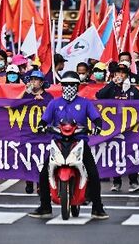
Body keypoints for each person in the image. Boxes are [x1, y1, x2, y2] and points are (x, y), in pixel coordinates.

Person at [28, 72, 109, 220]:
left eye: (72, 85)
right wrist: (41, 126)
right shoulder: (54, 103)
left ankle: (97, 207)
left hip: (79, 141)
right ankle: (45, 207)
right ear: (61, 86)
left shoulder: (85, 103)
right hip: (58, 142)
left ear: (78, 86)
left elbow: (96, 118)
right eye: (66, 85)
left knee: (94, 173)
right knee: (44, 173)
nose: (69, 87)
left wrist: (97, 126)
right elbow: (44, 120)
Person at [96, 62, 139, 192]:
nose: (120, 75)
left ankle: (133, 182)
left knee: (131, 153)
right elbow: (99, 96)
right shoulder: (111, 88)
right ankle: (116, 182)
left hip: (130, 127)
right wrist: (112, 83)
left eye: (122, 73)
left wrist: (128, 91)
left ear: (127, 75)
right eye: (118, 73)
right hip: (114, 127)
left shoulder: (133, 90)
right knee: (115, 153)